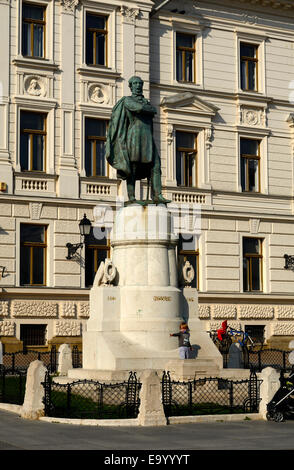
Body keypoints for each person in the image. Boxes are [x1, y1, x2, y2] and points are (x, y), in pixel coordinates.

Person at [105, 75, 170, 204]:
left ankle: (157, 195)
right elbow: (140, 108)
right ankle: (132, 197)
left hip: (148, 138)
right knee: (132, 168)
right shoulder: (127, 100)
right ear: (130, 86)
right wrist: (148, 109)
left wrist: (148, 109)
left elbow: (153, 110)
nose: (138, 86)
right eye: (135, 84)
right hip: (134, 137)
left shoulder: (146, 101)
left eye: (139, 84)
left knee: (156, 166)